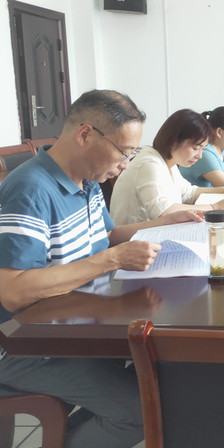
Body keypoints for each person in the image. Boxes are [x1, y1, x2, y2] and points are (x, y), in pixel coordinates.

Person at [0, 89, 202, 448]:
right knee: (142, 412)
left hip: (69, 328)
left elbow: (106, 236)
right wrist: (112, 260)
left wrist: (165, 223)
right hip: (20, 346)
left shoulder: (88, 181)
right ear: (85, 135)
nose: (126, 163)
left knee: (155, 379)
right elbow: (13, 292)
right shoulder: (30, 190)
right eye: (124, 152)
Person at [110, 109, 224, 225]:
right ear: (173, 141)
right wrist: (214, 207)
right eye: (195, 148)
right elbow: (166, 212)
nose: (200, 156)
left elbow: (188, 193)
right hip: (135, 240)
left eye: (202, 149)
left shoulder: (168, 162)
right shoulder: (149, 164)